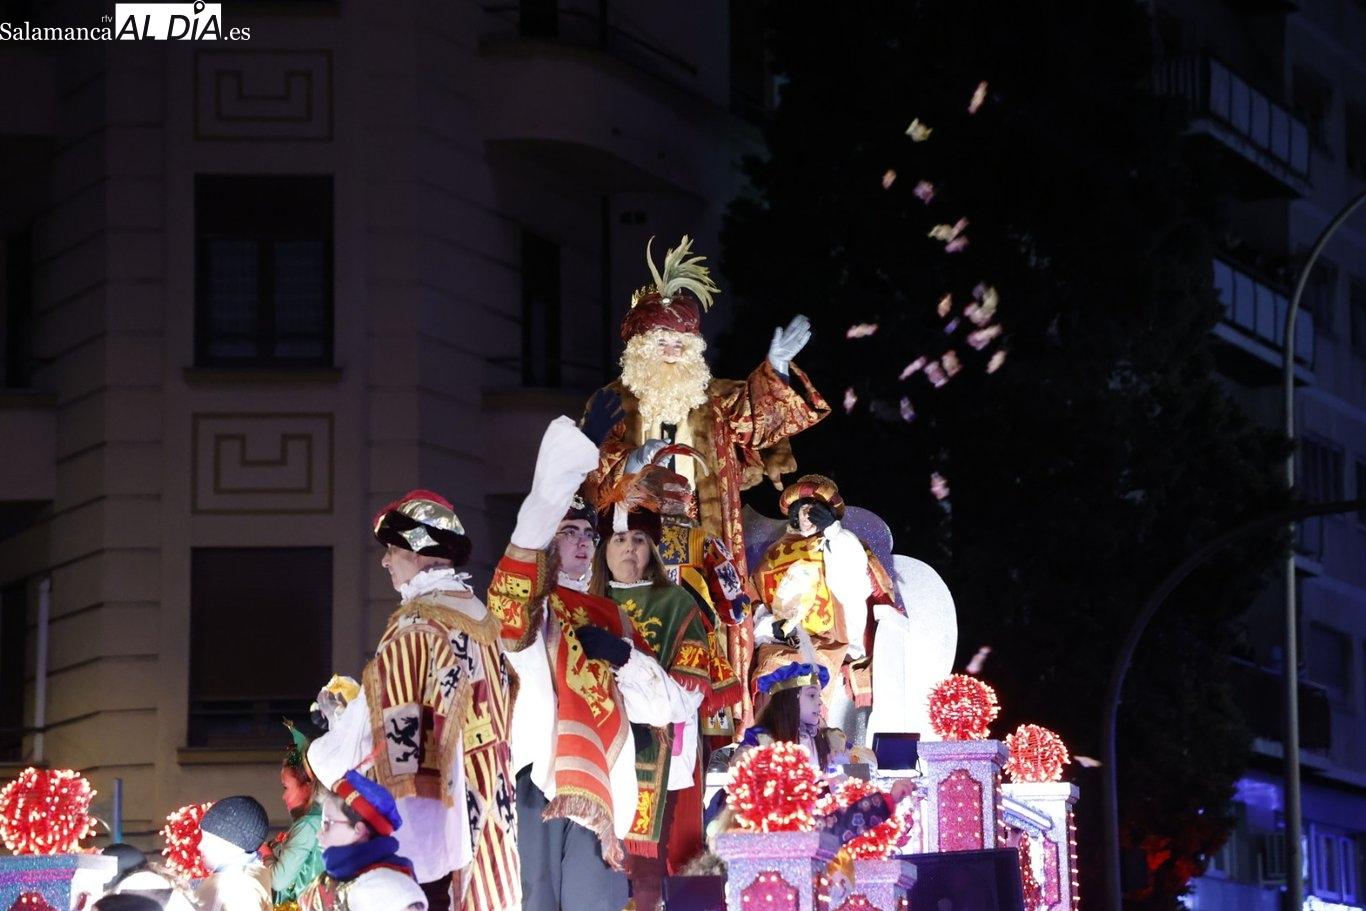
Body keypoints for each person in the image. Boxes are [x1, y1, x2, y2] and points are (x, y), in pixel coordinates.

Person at [583, 234, 831, 725]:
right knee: (642, 630)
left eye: (682, 343)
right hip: (637, 543)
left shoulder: (714, 400)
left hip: (706, 540)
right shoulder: (611, 402)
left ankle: (719, 734)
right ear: (638, 349)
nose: (672, 352)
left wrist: (777, 369)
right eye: (662, 342)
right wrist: (631, 468)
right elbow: (587, 476)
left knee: (717, 623)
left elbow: (758, 417)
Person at [486, 415, 703, 911]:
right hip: (536, 775)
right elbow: (520, 562)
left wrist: (626, 658)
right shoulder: (530, 604)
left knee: (594, 901)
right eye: (569, 532)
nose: (583, 541)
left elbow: (666, 708)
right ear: (549, 539)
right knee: (534, 899)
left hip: (602, 779)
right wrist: (571, 462)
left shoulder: (612, 614)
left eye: (588, 532)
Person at [307, 491, 519, 911]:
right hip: (489, 785)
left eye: (392, 550)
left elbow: (391, 728)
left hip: (434, 807)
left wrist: (338, 727)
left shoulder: (417, 622)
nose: (386, 562)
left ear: (419, 553)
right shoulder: (478, 615)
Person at [588, 505, 718, 910]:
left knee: (662, 875)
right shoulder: (585, 603)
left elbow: (685, 696)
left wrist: (625, 661)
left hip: (665, 758)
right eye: (620, 539)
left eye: (639, 539)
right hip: (600, 757)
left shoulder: (677, 604)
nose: (629, 548)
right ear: (603, 548)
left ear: (653, 550)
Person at [750, 475, 896, 739]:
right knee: (770, 677)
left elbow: (854, 585)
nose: (808, 515)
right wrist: (770, 626)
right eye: (802, 509)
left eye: (815, 510)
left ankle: (808, 743)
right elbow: (754, 599)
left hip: (827, 640)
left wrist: (833, 533)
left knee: (809, 680)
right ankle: (767, 744)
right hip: (779, 641)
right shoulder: (772, 554)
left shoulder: (840, 544)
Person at [297, 771, 426, 911]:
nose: (319, 834)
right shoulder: (330, 879)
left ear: (359, 830)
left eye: (327, 824)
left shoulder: (390, 886)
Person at [262, 723, 324, 906]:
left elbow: (279, 881)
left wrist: (265, 853)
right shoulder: (324, 819)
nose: (284, 796)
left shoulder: (308, 825)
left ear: (308, 785)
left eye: (286, 787)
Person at [195, 796, 273, 911]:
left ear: (232, 842)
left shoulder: (239, 888)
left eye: (207, 838)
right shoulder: (247, 875)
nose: (200, 846)